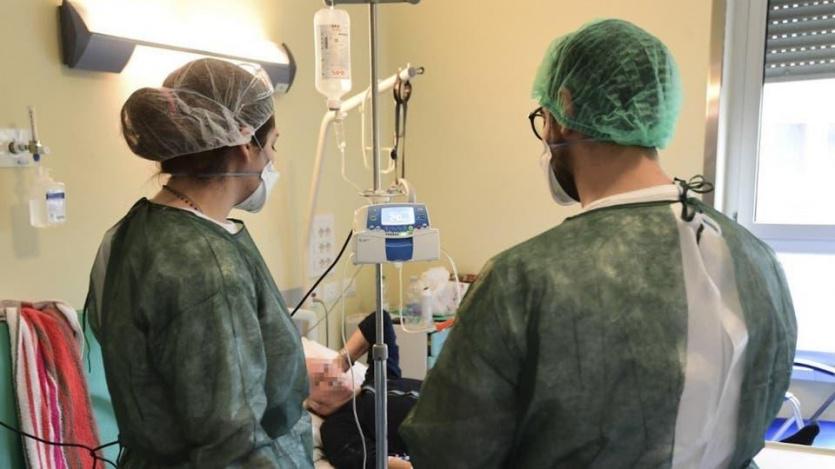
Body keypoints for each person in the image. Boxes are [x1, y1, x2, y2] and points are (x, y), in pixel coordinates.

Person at [401, 19, 797, 468]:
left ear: (564, 108)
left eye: (543, 117)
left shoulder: (522, 280)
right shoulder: (758, 261)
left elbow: (449, 453)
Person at [85, 58, 313, 468]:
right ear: (245, 145)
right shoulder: (209, 264)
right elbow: (234, 443)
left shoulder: (124, 236)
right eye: (272, 145)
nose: (271, 161)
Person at [306, 311, 419, 469]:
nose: (329, 374)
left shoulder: (379, 377)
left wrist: (342, 361)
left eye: (326, 367)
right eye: (320, 379)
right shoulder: (337, 427)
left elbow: (379, 321)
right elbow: (372, 460)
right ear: (315, 404)